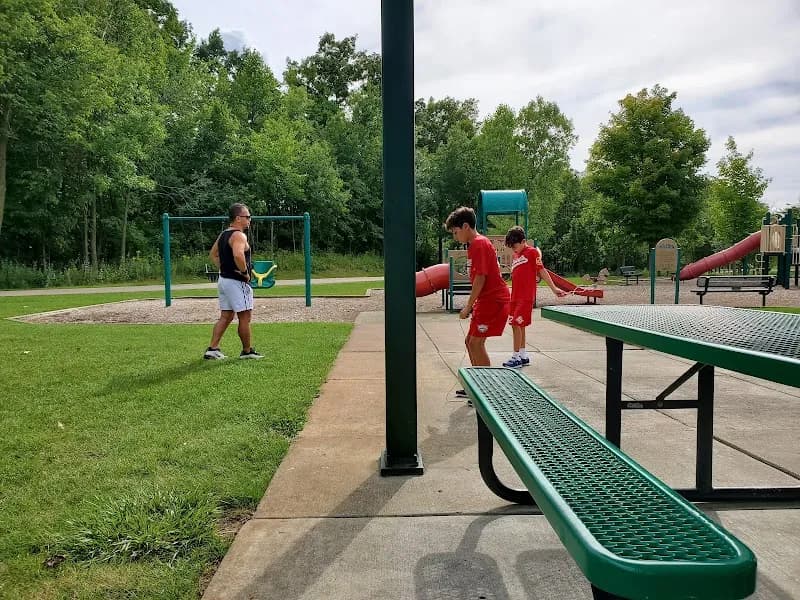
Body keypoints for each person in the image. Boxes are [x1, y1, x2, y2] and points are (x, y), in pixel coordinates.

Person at [445, 207, 510, 397]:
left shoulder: (479, 244)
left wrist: (468, 306)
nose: (455, 237)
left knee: (476, 344)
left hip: (493, 300)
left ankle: (485, 392)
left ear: (466, 226)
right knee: (470, 342)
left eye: (456, 232)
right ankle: (476, 386)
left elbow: (481, 278)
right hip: (486, 300)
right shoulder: (475, 245)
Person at [203, 203, 264, 360]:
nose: (250, 219)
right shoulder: (238, 235)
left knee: (226, 316)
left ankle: (212, 349)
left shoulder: (224, 234)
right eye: (247, 217)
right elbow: (238, 255)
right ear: (238, 218)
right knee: (245, 317)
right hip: (237, 282)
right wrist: (244, 273)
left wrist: (225, 269)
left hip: (224, 280)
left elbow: (213, 254)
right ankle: (247, 351)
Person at [502, 225, 567, 368]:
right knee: (520, 325)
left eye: (515, 245)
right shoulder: (515, 255)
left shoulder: (532, 253)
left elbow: (542, 271)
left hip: (525, 297)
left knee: (516, 324)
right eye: (511, 247)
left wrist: (554, 288)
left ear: (523, 241)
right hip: (515, 297)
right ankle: (523, 355)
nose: (513, 248)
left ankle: (516, 357)